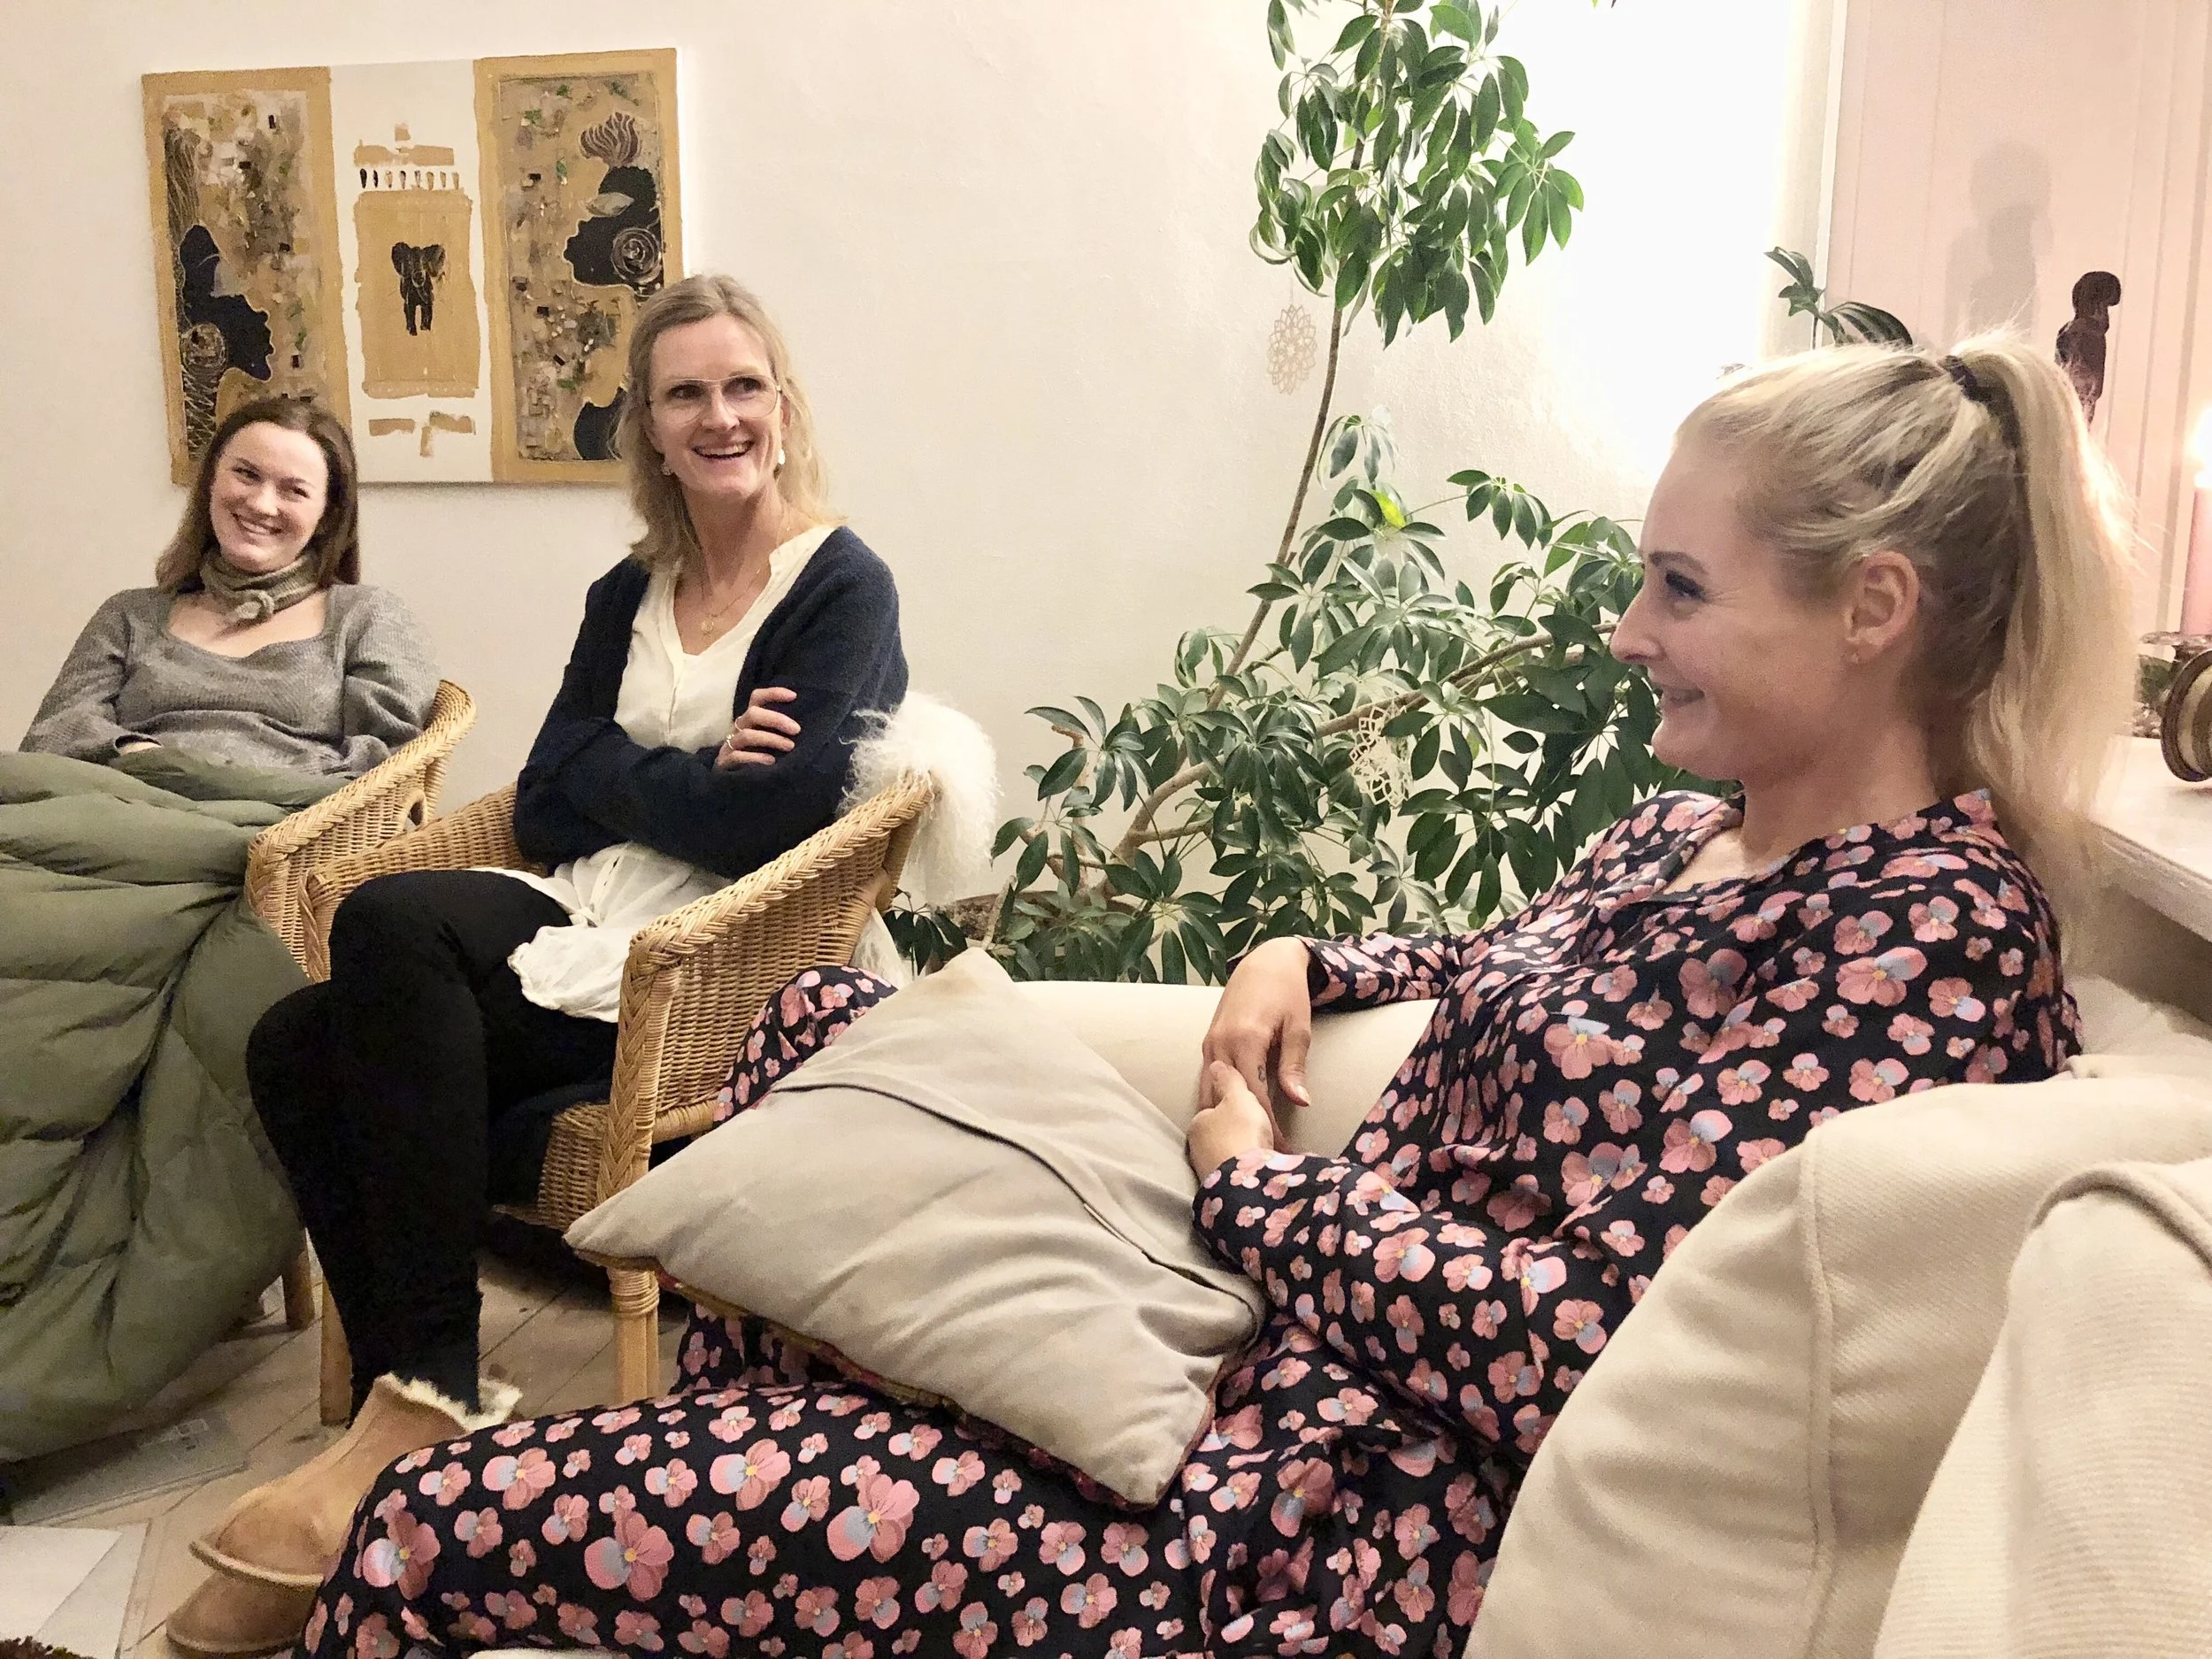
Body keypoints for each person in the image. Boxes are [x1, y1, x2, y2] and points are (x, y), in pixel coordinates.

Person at [286, 333, 2127, 1659]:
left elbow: (1582, 1349)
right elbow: (1484, 973)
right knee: (818, 1037)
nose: (1627, 631)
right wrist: (1299, 957)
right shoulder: (1683, 835)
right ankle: (753, 1497)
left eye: (1678, 589)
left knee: (432, 1530)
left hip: (1293, 1513)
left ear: (1872, 608)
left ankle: (707, 1506)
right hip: (1247, 1334)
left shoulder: (1918, 939)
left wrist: (1246, 1183)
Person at [165, 275, 907, 1654]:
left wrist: (624, 770)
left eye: (742, 385)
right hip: (579, 910)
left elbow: (782, 818)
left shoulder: (841, 585)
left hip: (706, 965)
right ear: (651, 425)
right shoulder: (629, 587)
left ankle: (428, 1401)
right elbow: (549, 793)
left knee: (390, 927)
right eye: (685, 393)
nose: (719, 415)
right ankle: (415, 1406)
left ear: (783, 403)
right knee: (294, 1037)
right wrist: (687, 770)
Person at [20, 396, 437, 781]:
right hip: (118, 808)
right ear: (211, 482)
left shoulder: (366, 616)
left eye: (294, 490)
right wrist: (142, 756)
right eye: (246, 474)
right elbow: (51, 737)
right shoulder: (129, 615)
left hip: (280, 825)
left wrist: (218, 778)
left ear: (327, 515)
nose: (261, 504)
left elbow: (390, 764)